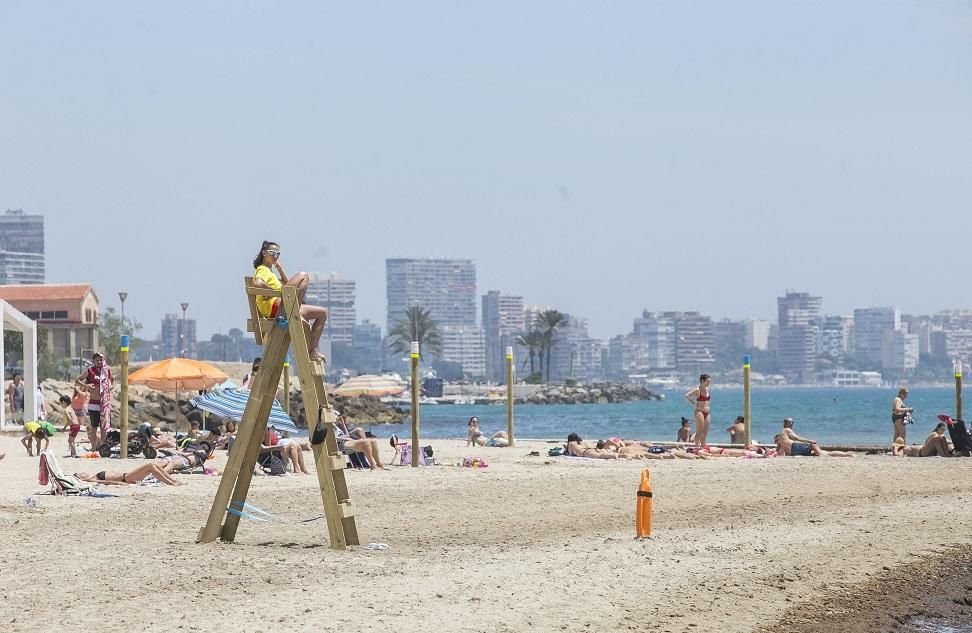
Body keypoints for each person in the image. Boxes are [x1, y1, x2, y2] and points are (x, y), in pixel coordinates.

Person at [251, 241, 327, 362]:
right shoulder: (262, 269)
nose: (275, 256)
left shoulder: (271, 272)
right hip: (275, 307)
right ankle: (294, 312)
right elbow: (257, 283)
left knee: (322, 313)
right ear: (264, 253)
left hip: (283, 306)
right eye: (272, 253)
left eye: (278, 254)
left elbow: (288, 285)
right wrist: (274, 290)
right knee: (303, 276)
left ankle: (312, 351)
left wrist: (280, 269)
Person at [75, 352, 112, 450]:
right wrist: (85, 386)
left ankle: (104, 447)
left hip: (104, 403)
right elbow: (77, 380)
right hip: (93, 403)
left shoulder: (106, 370)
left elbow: (113, 380)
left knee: (104, 428)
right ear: (93, 361)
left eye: (101, 360)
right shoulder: (90, 371)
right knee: (94, 427)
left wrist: (111, 386)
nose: (99, 362)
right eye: (97, 360)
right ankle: (94, 448)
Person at [74, 462, 183, 486]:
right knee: (150, 466)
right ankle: (171, 483)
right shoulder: (90, 480)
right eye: (80, 474)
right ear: (80, 478)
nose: (83, 473)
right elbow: (106, 482)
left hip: (127, 476)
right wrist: (119, 484)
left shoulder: (92, 476)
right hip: (126, 478)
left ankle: (172, 480)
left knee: (154, 466)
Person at [685, 374, 712, 451]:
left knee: (705, 433)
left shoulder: (707, 389)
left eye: (709, 381)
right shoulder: (697, 390)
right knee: (699, 432)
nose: (709, 383)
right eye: (707, 381)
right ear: (702, 381)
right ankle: (697, 448)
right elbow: (687, 395)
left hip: (707, 412)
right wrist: (693, 403)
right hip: (699, 412)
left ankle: (703, 448)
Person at [773, 432, 854, 457]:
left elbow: (780, 452)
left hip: (798, 451)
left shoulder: (781, 445)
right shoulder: (782, 441)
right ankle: (847, 454)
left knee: (826, 453)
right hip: (798, 451)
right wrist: (809, 441)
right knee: (825, 453)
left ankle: (847, 454)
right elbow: (797, 439)